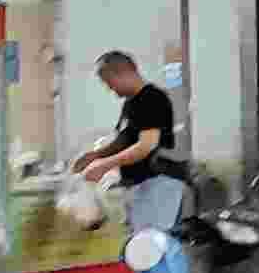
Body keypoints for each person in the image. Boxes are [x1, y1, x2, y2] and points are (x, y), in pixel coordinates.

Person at [75, 50, 189, 238]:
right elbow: (124, 140)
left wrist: (104, 165)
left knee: (152, 245)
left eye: (109, 81)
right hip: (142, 187)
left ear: (123, 72)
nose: (109, 88)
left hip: (159, 185)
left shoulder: (151, 99)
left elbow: (146, 146)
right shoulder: (131, 103)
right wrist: (95, 156)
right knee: (140, 245)